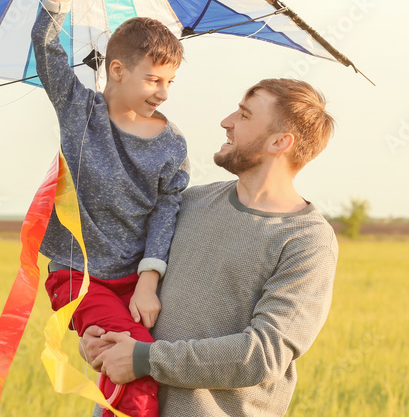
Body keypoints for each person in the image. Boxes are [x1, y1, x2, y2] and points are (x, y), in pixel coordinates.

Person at [84, 78, 339, 417]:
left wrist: (144, 359)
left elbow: (264, 354)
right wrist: (98, 335)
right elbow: (122, 283)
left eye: (245, 116)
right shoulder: (186, 203)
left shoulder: (306, 240)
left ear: (281, 142)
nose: (227, 122)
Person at [32, 0, 191, 417]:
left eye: (169, 81)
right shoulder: (79, 111)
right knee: (137, 375)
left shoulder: (172, 145)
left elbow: (167, 215)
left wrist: (147, 282)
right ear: (117, 70)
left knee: (122, 376)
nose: (162, 92)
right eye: (152, 78)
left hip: (137, 285)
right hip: (80, 279)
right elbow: (44, 42)